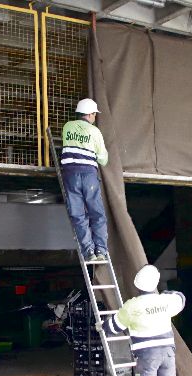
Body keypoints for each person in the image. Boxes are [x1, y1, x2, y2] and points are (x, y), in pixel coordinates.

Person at [60, 98, 109, 262]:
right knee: (97, 215)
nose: (95, 117)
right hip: (88, 175)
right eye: (95, 114)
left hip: (70, 175)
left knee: (78, 215)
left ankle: (88, 251)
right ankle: (101, 250)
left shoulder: (67, 127)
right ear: (90, 114)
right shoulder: (94, 131)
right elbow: (103, 160)